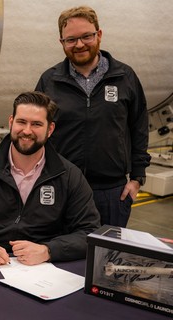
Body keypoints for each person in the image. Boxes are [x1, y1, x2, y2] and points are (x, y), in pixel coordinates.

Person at [0, 91, 100, 267]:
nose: (27, 131)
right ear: (11, 122)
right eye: (21, 122)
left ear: (50, 129)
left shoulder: (68, 175)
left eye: (36, 124)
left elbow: (89, 231)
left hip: (43, 268)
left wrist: (48, 250)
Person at [35, 6, 151, 227]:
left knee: (105, 258)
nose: (79, 44)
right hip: (62, 188)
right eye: (71, 39)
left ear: (99, 34)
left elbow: (139, 127)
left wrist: (137, 179)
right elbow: (36, 132)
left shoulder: (124, 77)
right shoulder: (49, 81)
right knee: (61, 256)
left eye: (86, 36)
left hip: (111, 192)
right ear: (62, 43)